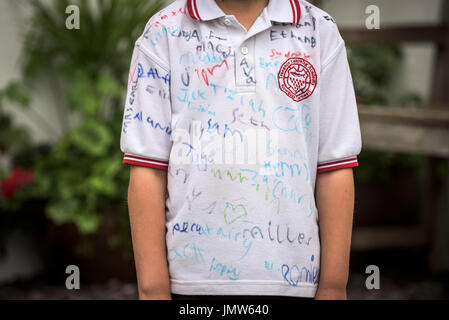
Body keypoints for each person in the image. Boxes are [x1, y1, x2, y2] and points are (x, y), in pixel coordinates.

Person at [120, 0, 362, 300]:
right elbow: (147, 167)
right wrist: (153, 290)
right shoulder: (164, 31)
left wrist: (333, 288)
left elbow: (335, 166)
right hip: (191, 285)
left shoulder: (319, 31)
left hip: (295, 284)